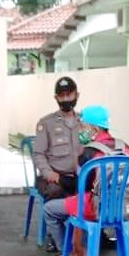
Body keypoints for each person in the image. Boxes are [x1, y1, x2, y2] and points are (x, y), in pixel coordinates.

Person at [43, 104, 129, 256]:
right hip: (124, 208)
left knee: (50, 209)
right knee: (79, 203)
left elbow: (82, 187)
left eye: (82, 126)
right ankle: (84, 251)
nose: (80, 130)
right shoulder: (127, 148)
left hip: (96, 207)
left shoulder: (90, 152)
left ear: (93, 128)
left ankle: (70, 254)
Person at [32, 76, 84, 204]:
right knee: (54, 191)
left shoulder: (85, 122)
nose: (66, 99)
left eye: (69, 94)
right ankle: (56, 224)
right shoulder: (46, 123)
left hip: (79, 177)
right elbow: (38, 154)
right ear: (56, 98)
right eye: (62, 96)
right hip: (55, 178)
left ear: (77, 95)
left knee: (99, 189)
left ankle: (82, 224)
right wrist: (48, 172)